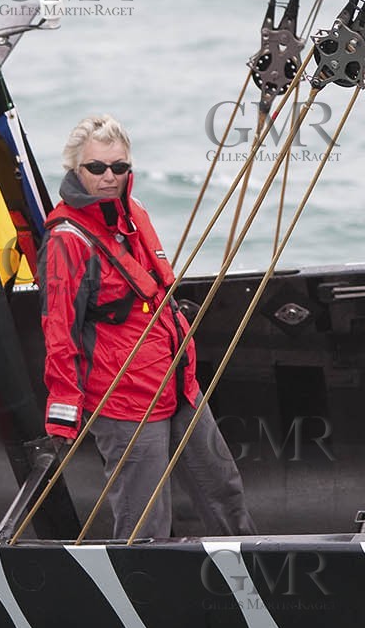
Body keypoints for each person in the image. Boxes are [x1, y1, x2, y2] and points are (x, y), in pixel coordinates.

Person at [40, 113, 256, 540]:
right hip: (125, 403)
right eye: (97, 168)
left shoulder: (134, 214)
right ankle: (143, 597)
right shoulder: (67, 241)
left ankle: (252, 575)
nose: (109, 177)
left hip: (177, 381)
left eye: (119, 167)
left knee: (224, 490)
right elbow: (58, 333)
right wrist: (64, 415)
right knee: (145, 523)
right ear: (75, 170)